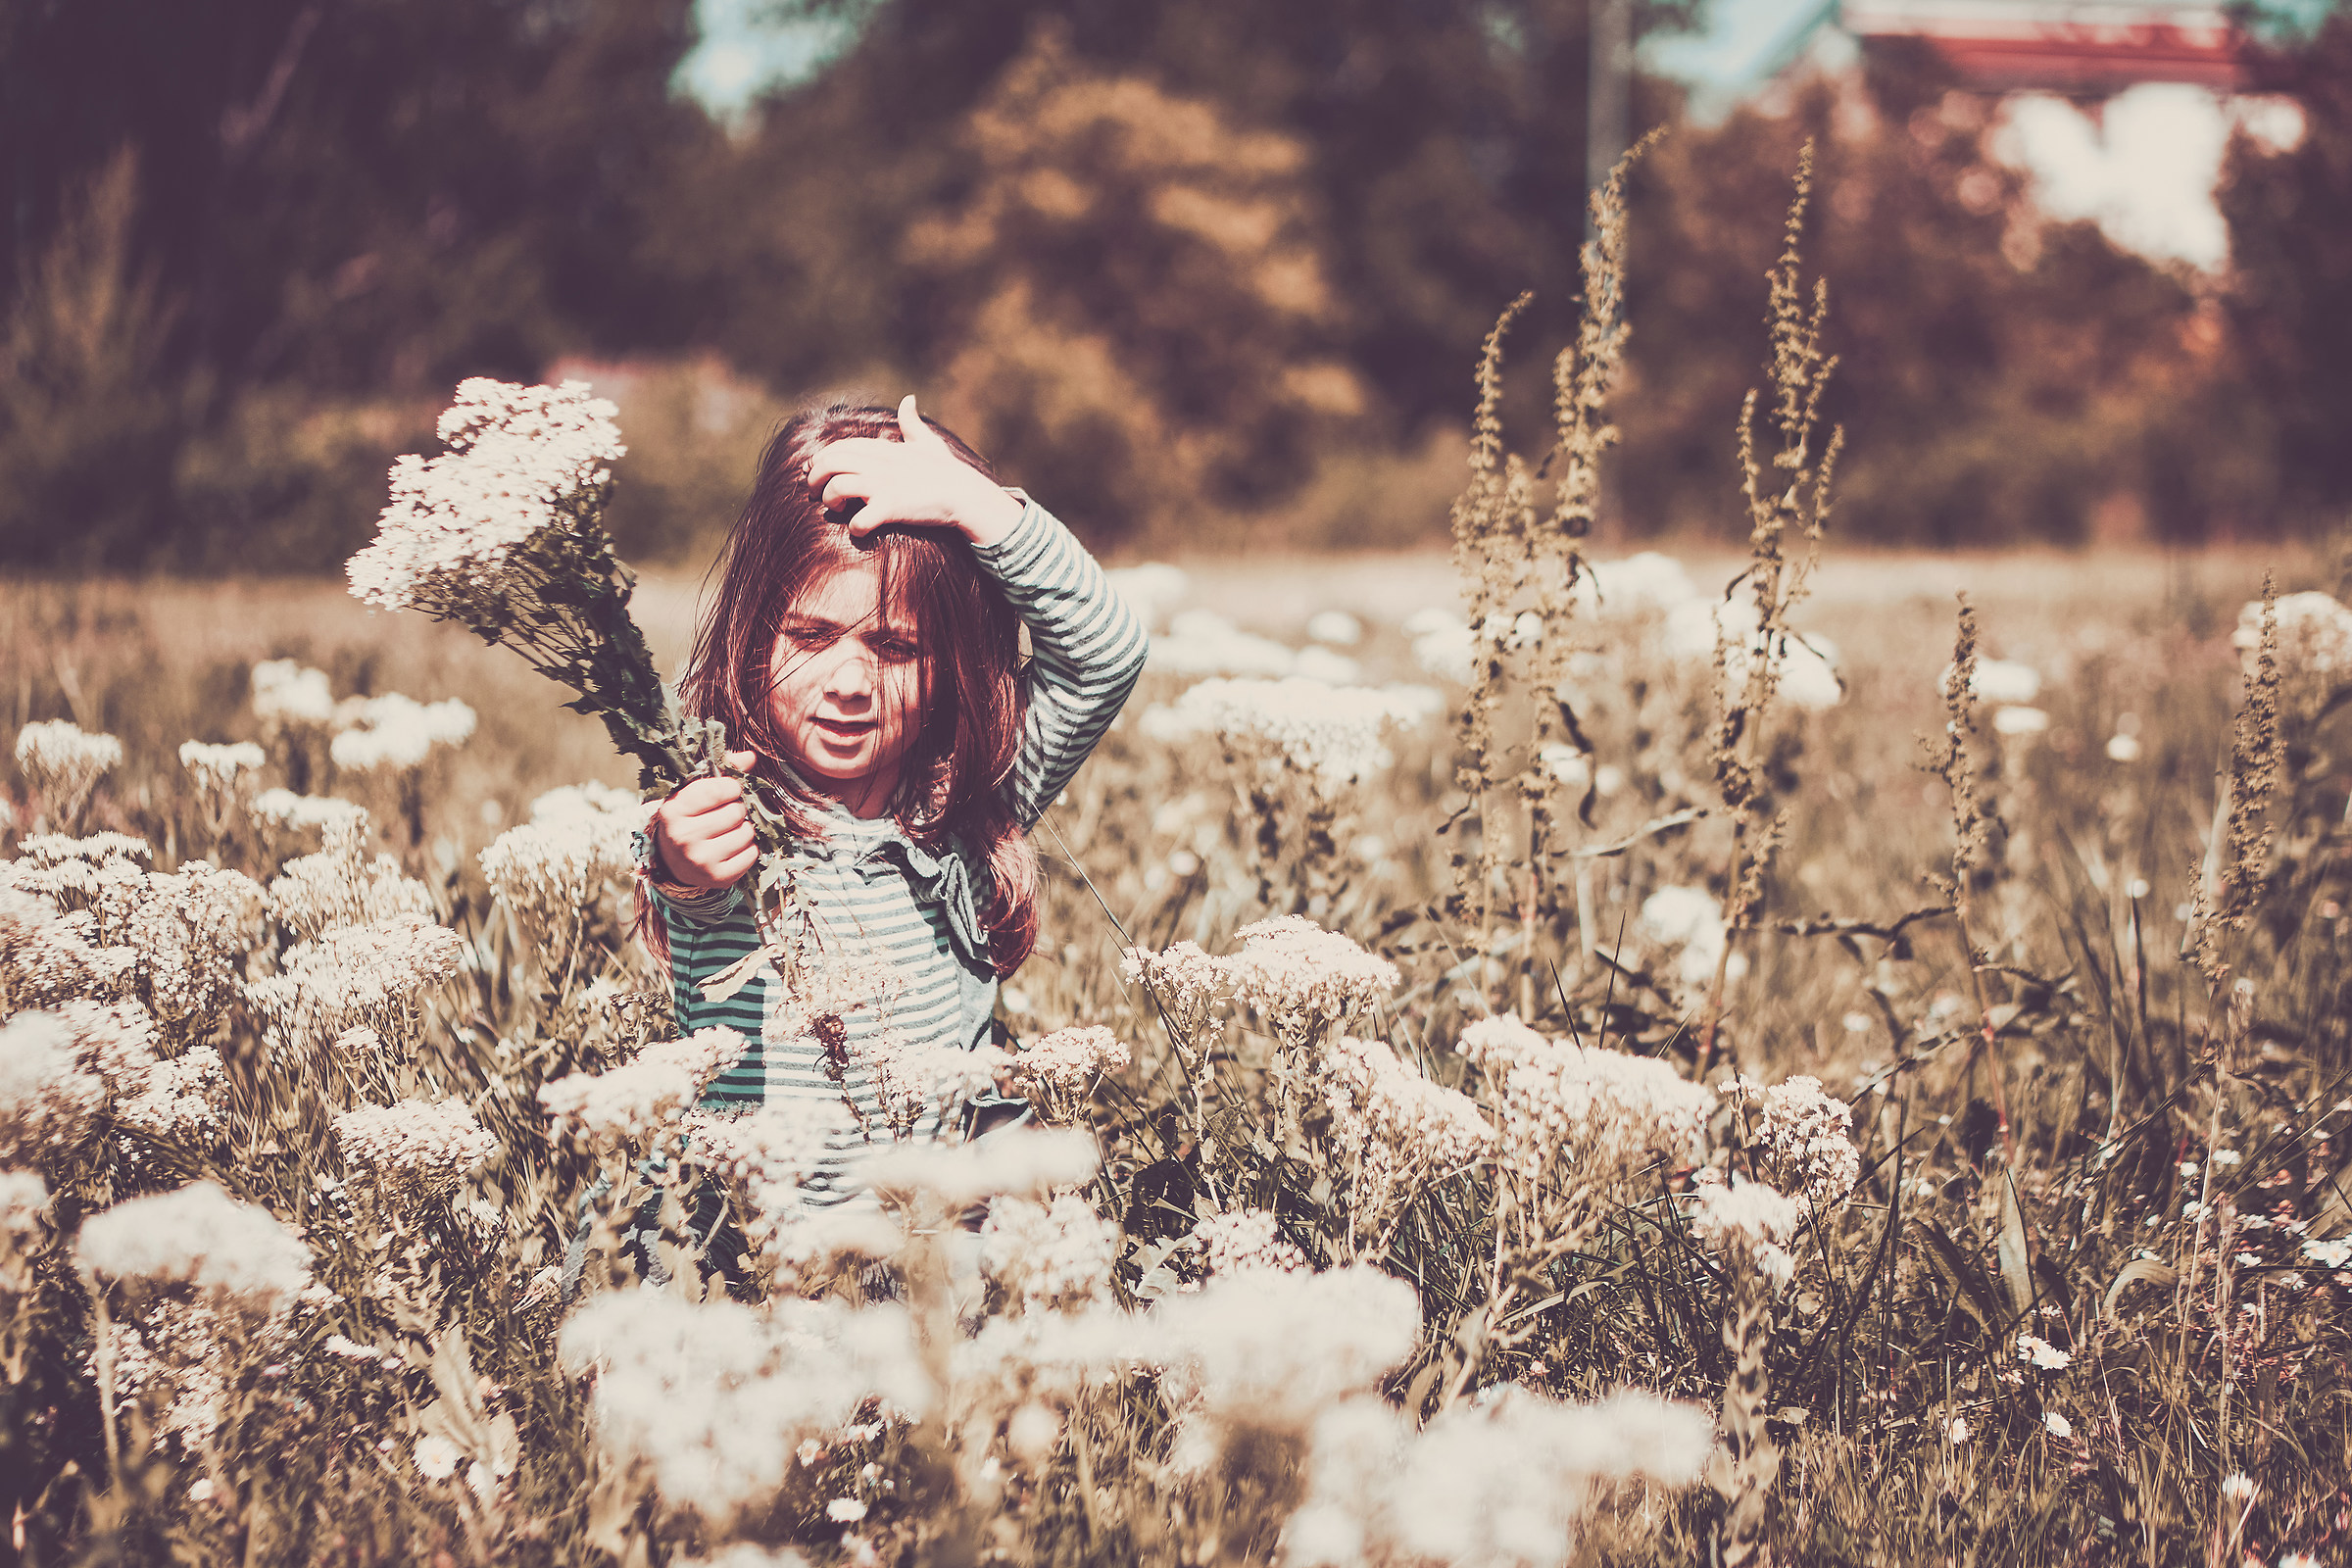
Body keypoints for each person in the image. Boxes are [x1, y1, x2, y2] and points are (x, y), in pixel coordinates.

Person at [637, 394, 1149, 1222]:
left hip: (930, 1259)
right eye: (808, 638)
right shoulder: (734, 806)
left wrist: (975, 508)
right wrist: (680, 859)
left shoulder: (965, 804)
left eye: (896, 647)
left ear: (952, 664)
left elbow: (1107, 648)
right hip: (750, 1263)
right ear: (752, 635)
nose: (848, 684)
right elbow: (687, 864)